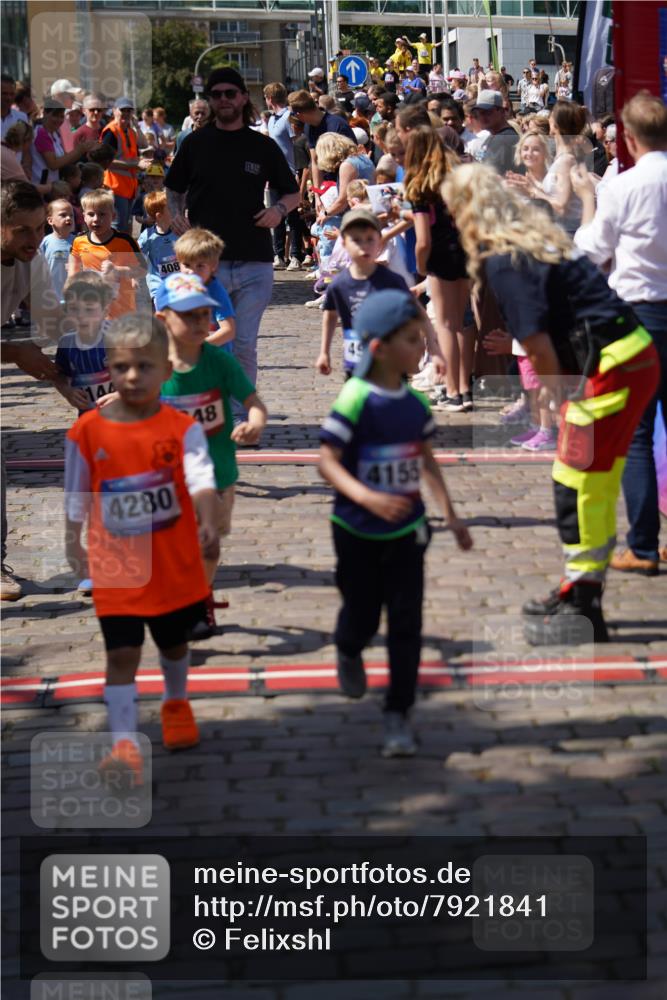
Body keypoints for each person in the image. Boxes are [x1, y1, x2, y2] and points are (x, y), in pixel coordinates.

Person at [443, 162, 660, 644]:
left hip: (611, 368)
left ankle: (582, 602)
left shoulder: (507, 257)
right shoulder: (531, 241)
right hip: (626, 357)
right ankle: (582, 592)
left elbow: (538, 348)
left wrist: (562, 408)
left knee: (576, 483)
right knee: (592, 482)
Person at [64, 313, 220, 782]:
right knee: (121, 655)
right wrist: (74, 545)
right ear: (109, 368)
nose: (133, 377)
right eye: (122, 367)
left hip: (172, 563)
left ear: (167, 369)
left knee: (173, 645)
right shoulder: (87, 432)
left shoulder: (181, 428)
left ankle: (176, 704)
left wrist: (208, 520)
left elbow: (200, 478)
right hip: (118, 568)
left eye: (145, 367)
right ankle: (125, 742)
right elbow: (77, 494)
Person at [319, 287, 472, 756]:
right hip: (356, 530)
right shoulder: (355, 398)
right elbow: (327, 460)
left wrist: (451, 514)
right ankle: (348, 646)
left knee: (407, 623)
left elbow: (425, 459)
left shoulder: (416, 404)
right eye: (412, 339)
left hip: (408, 530)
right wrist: (367, 496)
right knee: (363, 614)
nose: (422, 346)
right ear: (380, 348)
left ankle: (397, 714)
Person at [166, 68, 299, 417]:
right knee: (202, 342)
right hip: (206, 264)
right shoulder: (194, 143)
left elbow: (293, 192)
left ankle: (239, 415)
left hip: (254, 259)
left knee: (243, 343)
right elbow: (173, 187)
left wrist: (279, 211)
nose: (223, 99)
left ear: (243, 98)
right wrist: (175, 213)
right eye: (217, 94)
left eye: (230, 93)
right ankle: (204, 407)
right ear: (209, 101)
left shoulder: (262, 145)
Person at [572, 90, 667, 574]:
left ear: (628, 137)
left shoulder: (625, 187)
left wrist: (588, 199)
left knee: (637, 434)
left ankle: (645, 546)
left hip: (641, 314)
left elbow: (591, 248)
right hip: (647, 307)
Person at [156, 273, 267, 637]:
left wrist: (254, 421)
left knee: (209, 543)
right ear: (162, 318)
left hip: (217, 472)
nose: (199, 323)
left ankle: (201, 596)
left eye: (204, 315)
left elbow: (253, 401)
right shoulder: (153, 367)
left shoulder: (219, 362)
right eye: (188, 315)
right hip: (167, 477)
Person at [1, 180, 70, 600]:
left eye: (39, 228)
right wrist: (13, 353)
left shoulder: (33, 258)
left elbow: (51, 322)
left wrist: (82, 370)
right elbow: (22, 348)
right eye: (22, 230)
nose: (35, 239)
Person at [403, 128, 471, 412]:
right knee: (462, 325)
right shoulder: (458, 180)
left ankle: (452, 391)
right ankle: (464, 389)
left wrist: (422, 267)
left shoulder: (421, 187)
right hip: (464, 252)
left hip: (439, 257)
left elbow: (422, 240)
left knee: (445, 325)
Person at [316, 207, 418, 377]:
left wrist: (430, 348)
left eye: (370, 239)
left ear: (380, 240)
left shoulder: (392, 280)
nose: (364, 246)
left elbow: (416, 312)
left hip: (391, 363)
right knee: (358, 402)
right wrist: (324, 352)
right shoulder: (339, 284)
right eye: (357, 240)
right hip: (356, 362)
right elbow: (330, 315)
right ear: (343, 242)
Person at [69, 189, 147, 320]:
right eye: (91, 214)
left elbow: (142, 270)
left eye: (102, 214)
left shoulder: (125, 241)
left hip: (122, 311)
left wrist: (117, 270)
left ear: (113, 215)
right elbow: (72, 275)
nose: (96, 219)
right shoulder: (78, 242)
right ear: (84, 217)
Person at [55, 272, 116, 415]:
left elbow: (144, 371)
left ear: (105, 310)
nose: (81, 316)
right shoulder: (66, 344)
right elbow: (59, 375)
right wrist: (67, 391)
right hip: (88, 419)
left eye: (89, 309)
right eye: (74, 309)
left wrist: (123, 394)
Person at [533, 100, 588, 236]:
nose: (548, 118)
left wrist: (533, 191)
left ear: (556, 124)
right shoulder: (563, 158)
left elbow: (561, 207)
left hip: (567, 235)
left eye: (551, 115)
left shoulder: (566, 161)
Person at [174, 228, 236, 348]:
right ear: (178, 263)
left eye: (200, 266)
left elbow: (228, 330)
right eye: (186, 265)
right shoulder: (177, 287)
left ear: (213, 265)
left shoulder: (215, 293)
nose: (191, 272)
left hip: (214, 359)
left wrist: (198, 346)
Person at [263, 82, 302, 271]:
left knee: (293, 217)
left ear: (270, 98)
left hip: (290, 172)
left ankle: (296, 255)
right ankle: (279, 254)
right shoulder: (271, 120)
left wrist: (298, 173)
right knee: (276, 214)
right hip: (274, 174)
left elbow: (296, 145)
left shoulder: (289, 117)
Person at [287, 89, 355, 194]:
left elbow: (352, 159)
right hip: (327, 188)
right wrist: (318, 193)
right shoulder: (309, 127)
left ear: (298, 114)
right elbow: (315, 161)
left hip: (346, 185)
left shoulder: (338, 125)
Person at [31, 99, 97, 188]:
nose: (59, 120)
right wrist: (79, 150)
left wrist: (82, 149)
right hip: (42, 187)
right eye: (55, 116)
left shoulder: (54, 133)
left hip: (52, 185)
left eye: (61, 116)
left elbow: (65, 159)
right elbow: (53, 164)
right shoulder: (41, 133)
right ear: (45, 113)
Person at [101, 96, 141, 234]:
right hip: (115, 187)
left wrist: (137, 126)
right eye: (122, 110)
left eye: (129, 110)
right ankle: (113, 256)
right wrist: (135, 164)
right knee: (117, 227)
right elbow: (105, 161)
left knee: (126, 227)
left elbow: (142, 147)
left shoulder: (130, 131)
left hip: (129, 188)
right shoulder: (111, 131)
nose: (126, 113)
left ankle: (124, 255)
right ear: (114, 111)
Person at [137, 190, 180, 304]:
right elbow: (136, 254)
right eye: (170, 209)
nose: (174, 211)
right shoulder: (147, 236)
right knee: (162, 310)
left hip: (178, 280)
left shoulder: (178, 231)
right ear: (159, 216)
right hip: (157, 282)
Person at [473, 90, 519, 174]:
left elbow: (491, 176)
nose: (482, 116)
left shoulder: (504, 139)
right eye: (479, 112)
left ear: (501, 111)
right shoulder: (498, 136)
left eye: (488, 112)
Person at [39, 198, 75, 302]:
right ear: (50, 220)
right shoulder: (45, 242)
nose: (68, 218)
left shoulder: (78, 242)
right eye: (63, 215)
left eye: (71, 215)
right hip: (50, 295)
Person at [1, 74, 28, 140]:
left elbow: (26, 147)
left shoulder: (21, 117)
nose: (8, 98)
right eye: (4, 93)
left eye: (12, 94)